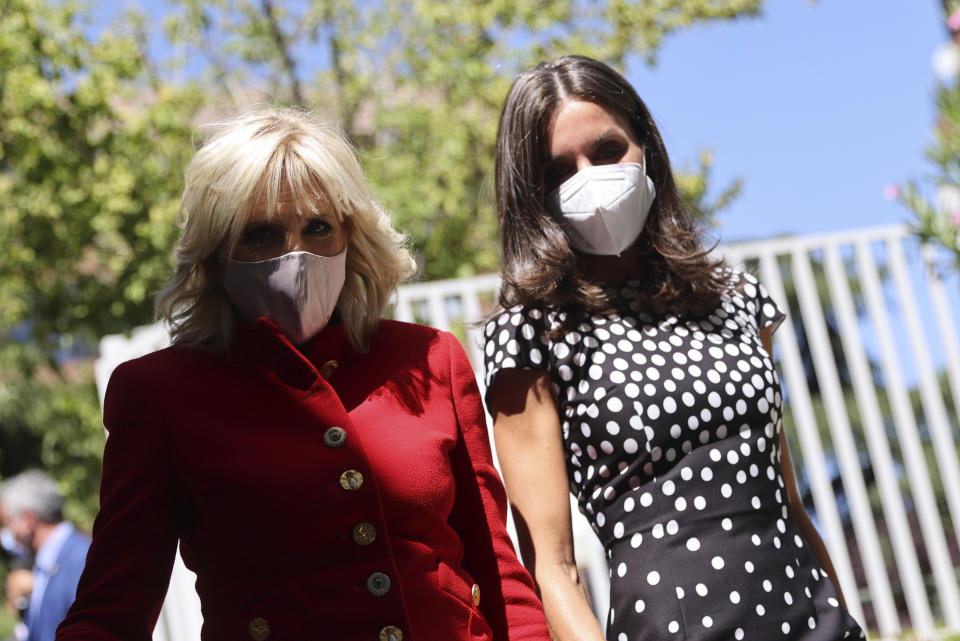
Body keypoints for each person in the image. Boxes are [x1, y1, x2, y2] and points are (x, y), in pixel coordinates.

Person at [56, 108, 550, 641]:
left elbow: (500, 575)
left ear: (349, 238)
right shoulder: (159, 394)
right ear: (216, 258)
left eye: (317, 228)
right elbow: (112, 610)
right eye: (261, 234)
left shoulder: (431, 359)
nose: (295, 254)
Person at [483, 55, 865, 641]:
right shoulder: (532, 333)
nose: (591, 177)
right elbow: (553, 567)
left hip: (813, 618)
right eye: (560, 171)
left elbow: (787, 499)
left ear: (646, 149)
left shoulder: (736, 299)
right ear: (534, 196)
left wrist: (846, 619)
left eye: (608, 151)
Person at [0, 471, 90, 641]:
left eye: (6, 522)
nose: (6, 532)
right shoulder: (48, 563)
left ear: (27, 520)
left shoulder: (80, 559)